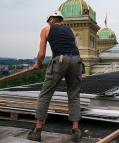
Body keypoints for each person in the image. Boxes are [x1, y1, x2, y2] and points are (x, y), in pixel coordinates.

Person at [27, 10, 82, 142]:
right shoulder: (71, 31)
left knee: (45, 94)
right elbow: (76, 48)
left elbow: (41, 53)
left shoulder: (46, 29)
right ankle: (75, 131)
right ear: (60, 20)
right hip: (76, 60)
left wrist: (38, 64)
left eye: (48, 21)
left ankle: (37, 131)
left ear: (51, 20)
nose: (48, 23)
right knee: (74, 95)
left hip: (60, 60)